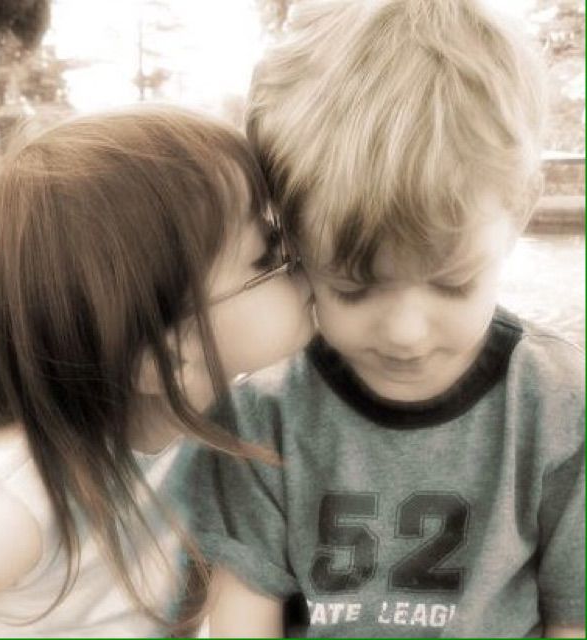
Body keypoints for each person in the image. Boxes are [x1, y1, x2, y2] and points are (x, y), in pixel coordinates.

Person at [181, 0, 585, 637]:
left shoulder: (560, 406)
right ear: (294, 244)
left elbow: (573, 615)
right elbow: (244, 615)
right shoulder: (262, 418)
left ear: (520, 209)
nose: (404, 333)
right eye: (352, 288)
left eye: (452, 283)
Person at [0, 105, 312, 637]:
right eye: (268, 252)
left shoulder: (219, 412)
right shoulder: (22, 505)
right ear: (166, 358)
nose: (303, 258)